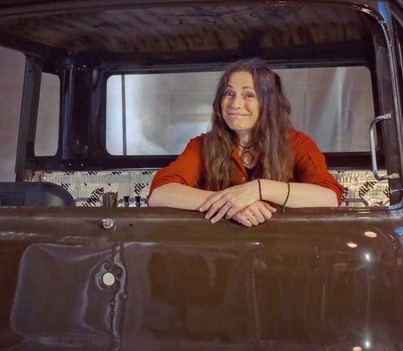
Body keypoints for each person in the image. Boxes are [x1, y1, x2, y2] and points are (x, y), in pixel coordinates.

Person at [147, 58, 343, 227]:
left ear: (268, 103)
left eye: (248, 95)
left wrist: (259, 189)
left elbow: (329, 197)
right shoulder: (202, 145)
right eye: (229, 93)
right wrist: (230, 205)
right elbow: (160, 194)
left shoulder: (297, 143)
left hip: (282, 251)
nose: (235, 104)